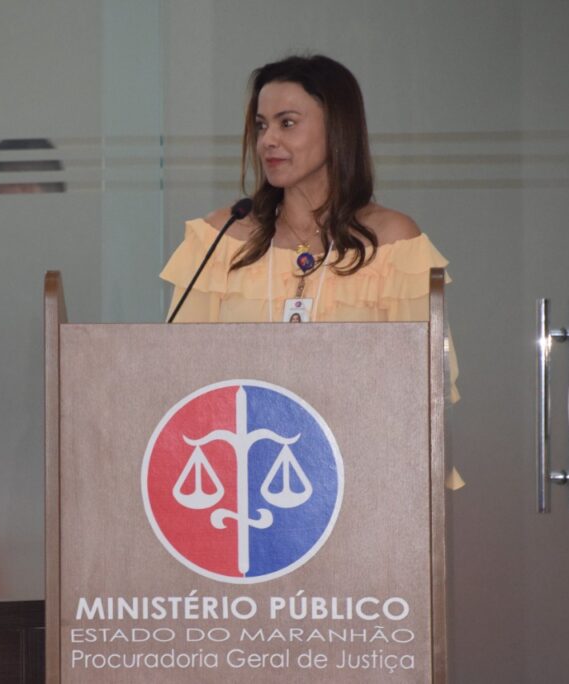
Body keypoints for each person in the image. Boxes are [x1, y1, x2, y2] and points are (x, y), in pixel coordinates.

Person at [161, 54, 463, 486]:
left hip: (362, 477)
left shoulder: (393, 240)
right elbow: (176, 372)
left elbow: (424, 388)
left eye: (287, 123)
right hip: (236, 481)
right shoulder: (221, 235)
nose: (268, 141)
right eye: (261, 126)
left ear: (337, 129)